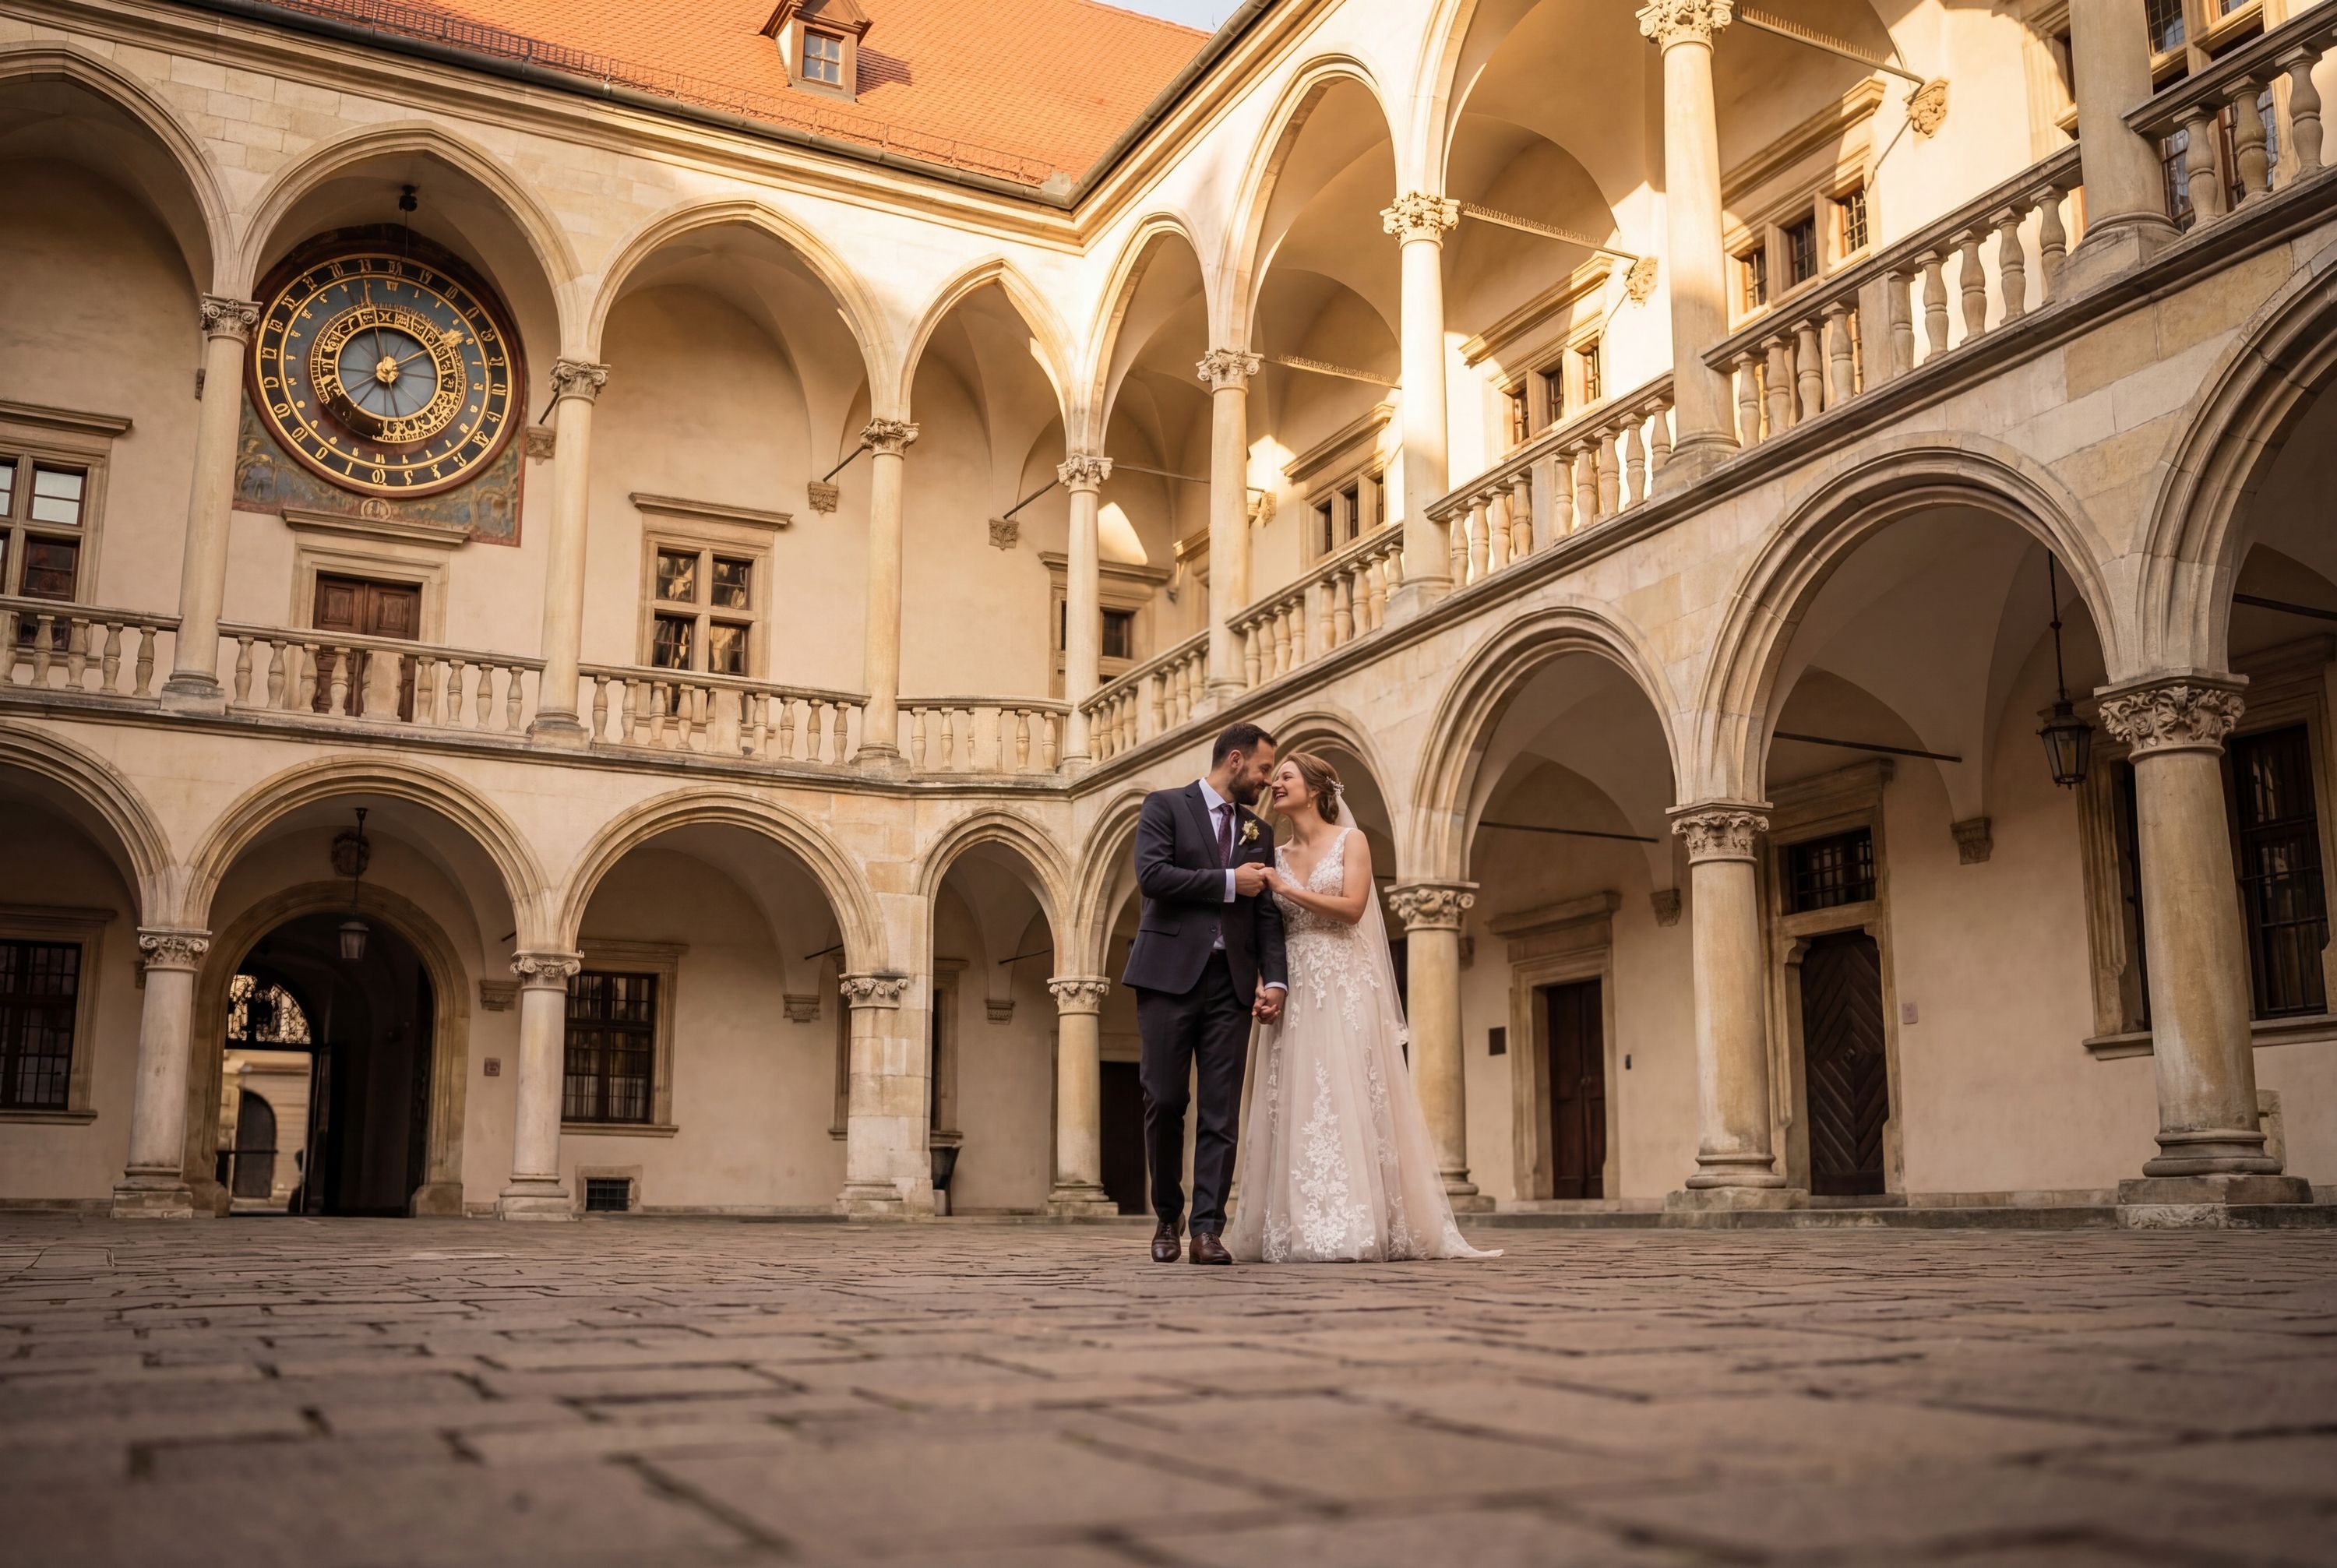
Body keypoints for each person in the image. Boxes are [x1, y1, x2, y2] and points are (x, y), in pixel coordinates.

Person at [1222, 750, 1500, 1263]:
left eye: (1285, 777)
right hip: (1296, 984)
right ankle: (1296, 1221)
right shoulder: (1271, 851)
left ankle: (1359, 1221)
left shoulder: (1352, 841)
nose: (1275, 784)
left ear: (1315, 788)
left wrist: (1288, 888)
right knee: (1297, 1095)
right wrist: (1266, 980)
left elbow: (1352, 909)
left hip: (1345, 980)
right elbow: (1266, 932)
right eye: (1275, 777)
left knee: (1348, 1090)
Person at [1121, 722, 1288, 1265]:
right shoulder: (1164, 806)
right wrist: (1228, 881)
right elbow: (1154, 877)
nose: (1267, 780)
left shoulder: (1258, 830)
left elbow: (1266, 916)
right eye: (1264, 768)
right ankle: (1167, 1215)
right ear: (1235, 760)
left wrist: (1276, 979)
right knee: (1165, 1099)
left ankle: (1208, 1229)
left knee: (1221, 1109)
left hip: (1231, 983)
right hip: (1167, 974)